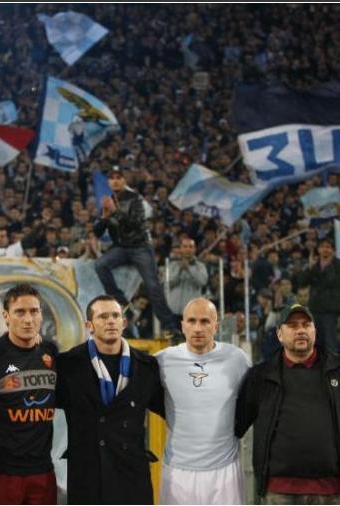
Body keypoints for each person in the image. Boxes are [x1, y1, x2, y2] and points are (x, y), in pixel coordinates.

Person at [235, 304, 340, 504]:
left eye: (306, 325)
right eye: (293, 325)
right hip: (279, 493)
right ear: (279, 334)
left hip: (336, 491)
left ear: (314, 331)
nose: (301, 330)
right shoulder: (260, 376)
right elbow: (235, 425)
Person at [55, 295, 165, 505]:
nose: (111, 321)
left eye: (115, 316)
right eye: (103, 316)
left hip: (131, 475)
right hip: (88, 475)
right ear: (89, 325)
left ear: (124, 323)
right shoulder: (67, 365)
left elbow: (168, 409)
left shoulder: (146, 366)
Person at [0, 284, 59, 504]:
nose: (28, 319)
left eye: (34, 311)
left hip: (42, 471)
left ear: (41, 315)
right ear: (6, 316)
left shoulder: (50, 352)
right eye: (20, 312)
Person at [155, 297, 251, 504]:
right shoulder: (162, 361)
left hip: (225, 471)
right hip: (178, 471)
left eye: (205, 321)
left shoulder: (238, 359)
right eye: (191, 321)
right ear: (183, 326)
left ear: (216, 326)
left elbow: (251, 404)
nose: (198, 328)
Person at [94, 166, 177, 334]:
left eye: (119, 177)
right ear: (109, 182)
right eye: (112, 178)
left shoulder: (135, 199)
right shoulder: (109, 201)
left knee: (152, 285)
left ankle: (170, 326)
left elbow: (136, 223)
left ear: (124, 180)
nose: (115, 181)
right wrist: (104, 217)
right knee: (100, 265)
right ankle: (122, 302)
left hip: (140, 247)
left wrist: (115, 211)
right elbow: (97, 232)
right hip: (121, 247)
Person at [296, 238, 340, 353]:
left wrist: (326, 267)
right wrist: (310, 267)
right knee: (315, 341)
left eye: (328, 247)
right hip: (315, 308)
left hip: (330, 310)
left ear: (333, 250)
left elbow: (330, 281)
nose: (325, 250)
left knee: (330, 341)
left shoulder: (338, 265)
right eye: (322, 247)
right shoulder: (314, 265)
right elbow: (301, 282)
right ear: (318, 250)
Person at [165, 238, 209, 323]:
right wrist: (179, 271)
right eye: (185, 247)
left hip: (192, 312)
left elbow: (203, 282)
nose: (188, 249)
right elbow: (167, 284)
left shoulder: (200, 266)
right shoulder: (172, 265)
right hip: (173, 311)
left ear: (195, 249)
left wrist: (189, 269)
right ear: (180, 249)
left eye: (191, 247)